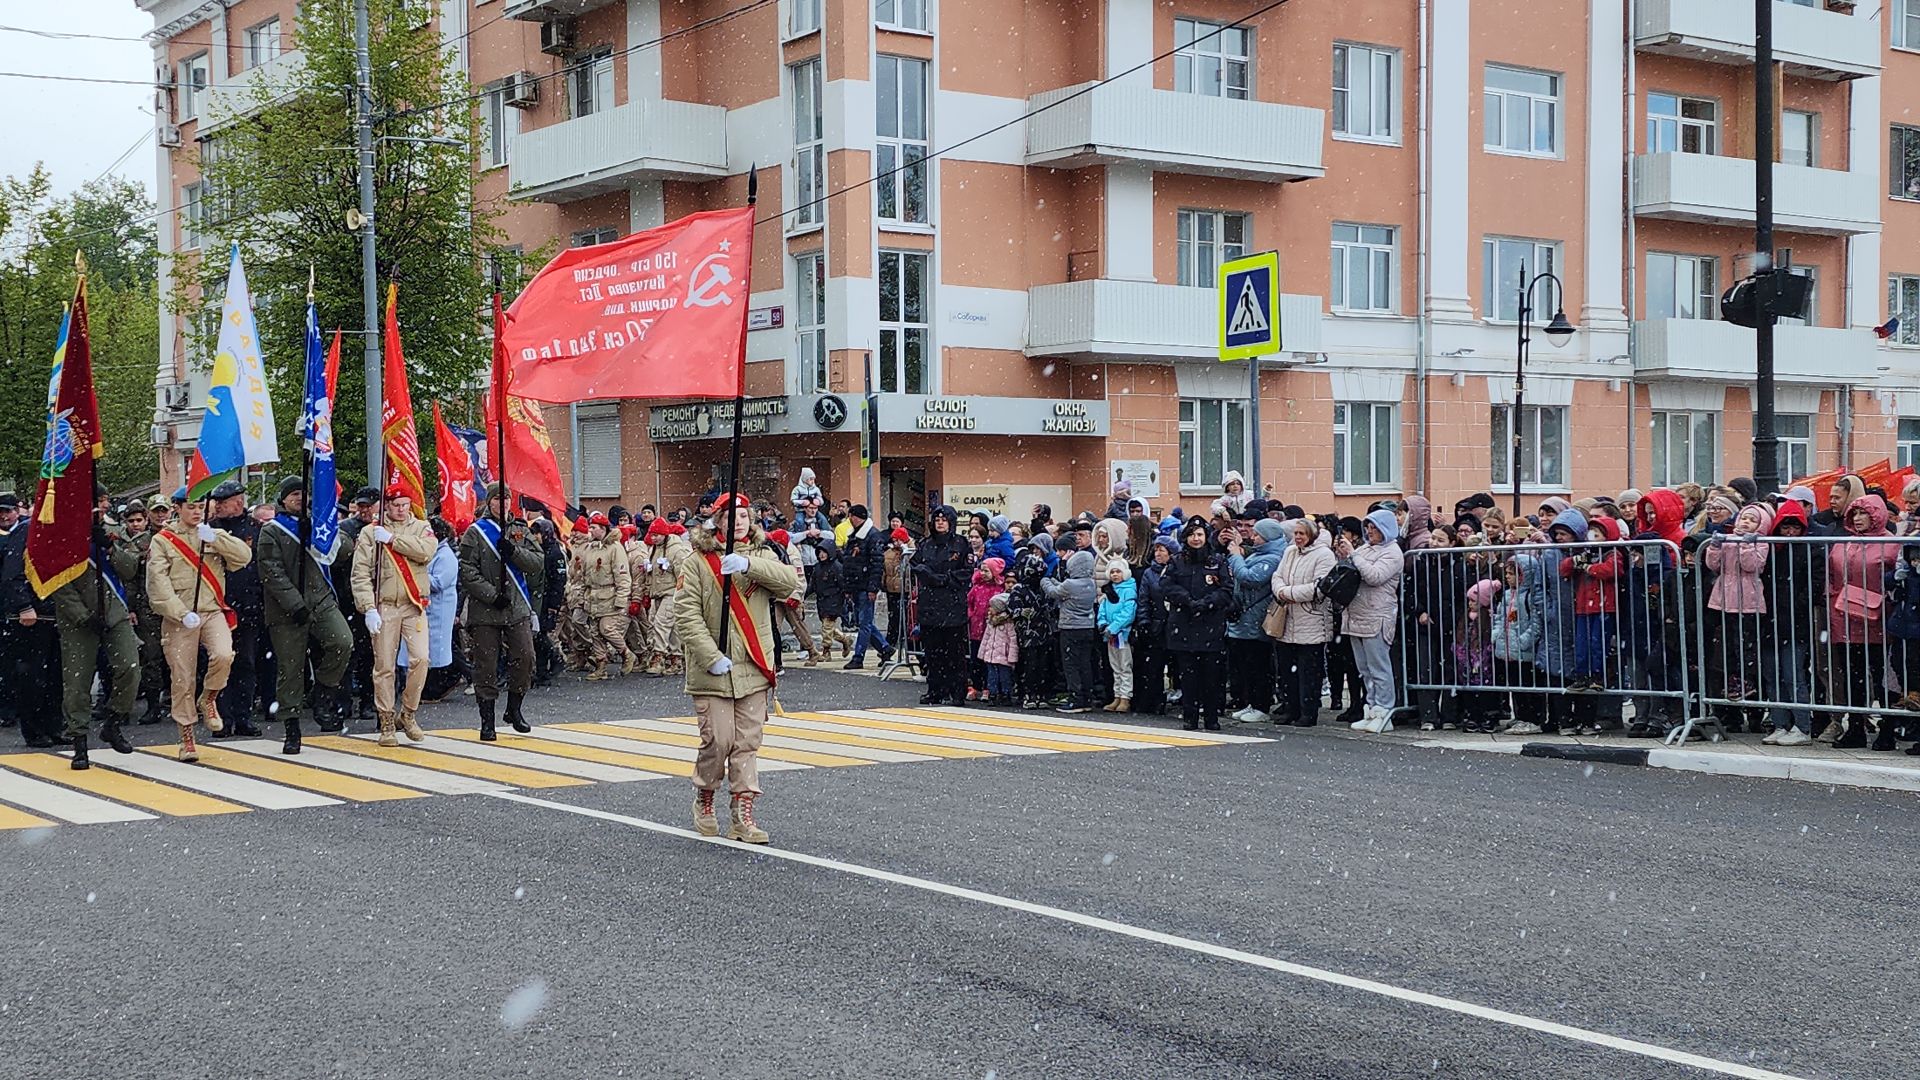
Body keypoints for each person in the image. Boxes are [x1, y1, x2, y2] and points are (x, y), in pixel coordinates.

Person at [675, 493, 800, 844]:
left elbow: (790, 583)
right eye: (731, 515)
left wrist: (748, 567)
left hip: (754, 663)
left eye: (744, 515)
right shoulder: (697, 562)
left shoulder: (762, 553)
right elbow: (687, 616)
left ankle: (743, 814)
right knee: (718, 740)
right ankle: (705, 795)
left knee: (747, 743)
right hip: (713, 668)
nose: (740, 521)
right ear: (718, 522)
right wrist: (709, 655)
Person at [147, 488, 253, 761]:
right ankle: (187, 736)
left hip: (212, 610)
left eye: (200, 507)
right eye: (191, 507)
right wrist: (179, 612)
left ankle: (208, 698)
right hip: (180, 617)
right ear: (178, 508)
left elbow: (243, 557)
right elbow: (157, 585)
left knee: (224, 655)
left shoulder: (213, 533)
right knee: (182, 677)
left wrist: (217, 539)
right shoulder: (163, 541)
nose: (196, 512)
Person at [256, 476, 353, 754]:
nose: (299, 498)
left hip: (321, 599)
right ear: (283, 499)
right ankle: (291, 726)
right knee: (291, 668)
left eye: (303, 493)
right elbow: (271, 572)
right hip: (287, 609)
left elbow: (343, 551)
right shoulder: (272, 531)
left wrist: (323, 529)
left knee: (342, 642)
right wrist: (294, 603)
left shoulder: (316, 522)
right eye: (293, 494)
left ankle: (323, 688)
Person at [50, 512, 142, 768]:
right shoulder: (62, 538)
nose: (100, 509)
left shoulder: (110, 532)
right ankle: (79, 741)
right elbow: (59, 583)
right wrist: (82, 616)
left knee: (130, 668)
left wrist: (110, 547)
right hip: (79, 619)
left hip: (115, 613)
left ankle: (113, 723)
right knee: (78, 681)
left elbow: (130, 569)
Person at [351, 487, 436, 746]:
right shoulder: (369, 533)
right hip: (385, 605)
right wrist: (368, 608)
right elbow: (361, 574)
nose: (400, 509)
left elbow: (426, 551)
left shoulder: (421, 527)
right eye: (395, 504)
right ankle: (386, 719)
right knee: (385, 666)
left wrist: (392, 540)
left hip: (413, 603)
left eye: (404, 504)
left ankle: (408, 712)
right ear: (386, 505)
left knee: (421, 659)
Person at [460, 485, 544, 741]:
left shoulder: (519, 529)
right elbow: (467, 570)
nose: (504, 503)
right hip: (486, 611)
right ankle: (488, 720)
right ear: (490, 502)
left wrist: (514, 552)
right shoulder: (475, 533)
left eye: (507, 498)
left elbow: (537, 562)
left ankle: (514, 709)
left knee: (525, 658)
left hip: (516, 607)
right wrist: (491, 595)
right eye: (499, 499)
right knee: (486, 665)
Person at [208, 479, 267, 737]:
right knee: (219, 663)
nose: (218, 506)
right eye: (217, 502)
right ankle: (222, 717)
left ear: (238, 502)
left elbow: (260, 567)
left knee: (246, 663)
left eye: (224, 502)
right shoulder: (209, 529)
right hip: (218, 606)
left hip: (249, 605)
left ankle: (243, 717)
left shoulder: (256, 529)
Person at [1161, 517, 1231, 731]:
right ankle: (1190, 717)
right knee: (1188, 676)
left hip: (1210, 626)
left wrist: (1207, 603)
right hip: (1184, 625)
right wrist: (1187, 600)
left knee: (1211, 676)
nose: (1196, 538)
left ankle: (1211, 717)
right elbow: (1166, 585)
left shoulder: (1217, 561)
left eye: (1200, 534)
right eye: (1192, 534)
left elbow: (1226, 591)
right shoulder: (1176, 561)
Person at [1340, 509, 1405, 734]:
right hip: (1356, 614)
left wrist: (1354, 555)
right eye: (1368, 527)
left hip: (1377, 615)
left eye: (1375, 527)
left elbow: (1375, 576)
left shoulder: (1393, 552)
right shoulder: (1365, 549)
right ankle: (1371, 708)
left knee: (1379, 667)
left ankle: (1384, 710)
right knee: (1364, 668)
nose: (1370, 531)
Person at [1269, 517, 1336, 727]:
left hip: (1311, 619)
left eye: (1302, 534)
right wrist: (1280, 590)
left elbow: (1318, 588)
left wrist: (1288, 593)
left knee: (1309, 671)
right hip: (1288, 619)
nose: (1298, 537)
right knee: (1288, 670)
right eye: (1296, 533)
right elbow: (1277, 576)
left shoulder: (1324, 555)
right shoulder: (1289, 552)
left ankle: (1308, 712)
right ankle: (1291, 708)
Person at [1225, 519, 1286, 724]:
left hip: (1257, 619)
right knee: (1246, 665)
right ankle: (1250, 702)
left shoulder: (1273, 558)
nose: (1254, 537)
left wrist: (1235, 557)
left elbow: (1250, 578)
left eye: (1258, 535)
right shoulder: (1259, 554)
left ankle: (1261, 705)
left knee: (1259, 665)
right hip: (1244, 619)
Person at [913, 505, 973, 705]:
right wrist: (929, 576)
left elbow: (966, 572)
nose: (940, 523)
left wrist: (943, 579)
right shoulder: (926, 544)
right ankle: (936, 690)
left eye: (944, 520)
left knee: (955, 653)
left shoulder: (961, 544)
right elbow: (917, 565)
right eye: (937, 519)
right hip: (930, 604)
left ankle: (957, 692)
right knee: (933, 652)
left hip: (952, 603)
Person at [334, 487, 381, 722]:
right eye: (361, 506)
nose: (364, 510)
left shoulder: (383, 529)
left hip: (377, 600)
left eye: (368, 505)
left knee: (371, 657)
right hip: (349, 599)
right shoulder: (346, 528)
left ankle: (368, 702)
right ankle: (343, 704)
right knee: (348, 655)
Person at [575, 512, 633, 680]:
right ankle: (601, 666)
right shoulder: (590, 548)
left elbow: (623, 576)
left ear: (603, 529)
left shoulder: (615, 548)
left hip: (609, 596)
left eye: (593, 528)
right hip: (592, 596)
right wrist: (581, 597)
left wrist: (621, 599)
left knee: (606, 629)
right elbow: (583, 577)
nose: (590, 530)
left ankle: (626, 654)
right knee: (595, 633)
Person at [1043, 549, 1101, 713]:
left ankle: (1076, 698)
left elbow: (1054, 592)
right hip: (1087, 626)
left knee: (1071, 665)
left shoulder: (1070, 585)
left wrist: (1046, 580)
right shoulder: (1091, 583)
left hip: (1070, 628)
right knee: (1085, 664)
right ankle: (1086, 697)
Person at [840, 505, 894, 669]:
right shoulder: (855, 536)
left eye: (851, 516)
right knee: (864, 622)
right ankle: (885, 648)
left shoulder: (872, 536)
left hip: (865, 585)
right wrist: (848, 588)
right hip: (857, 584)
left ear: (855, 517)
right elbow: (849, 564)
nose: (849, 520)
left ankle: (858, 657)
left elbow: (877, 565)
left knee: (864, 623)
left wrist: (873, 588)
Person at [417, 517, 464, 703]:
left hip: (440, 609)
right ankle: (433, 686)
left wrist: (418, 576)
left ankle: (445, 682)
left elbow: (438, 583)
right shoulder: (434, 553)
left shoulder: (446, 556)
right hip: (429, 609)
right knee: (434, 650)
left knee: (440, 650)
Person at [1097, 561, 1137, 712]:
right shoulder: (1109, 591)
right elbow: (1102, 609)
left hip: (1122, 634)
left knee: (1125, 666)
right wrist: (1102, 623)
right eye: (1112, 572)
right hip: (1110, 635)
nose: (1115, 575)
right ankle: (1117, 695)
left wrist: (1114, 627)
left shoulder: (1128, 591)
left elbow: (1128, 613)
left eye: (1118, 572)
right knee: (1115, 666)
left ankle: (1126, 697)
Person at [965, 557, 1006, 701]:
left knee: (989, 661)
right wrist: (971, 615)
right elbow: (969, 603)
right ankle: (975, 686)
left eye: (986, 570)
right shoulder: (977, 588)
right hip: (976, 629)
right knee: (976, 660)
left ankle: (988, 687)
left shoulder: (999, 589)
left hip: (992, 631)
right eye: (981, 570)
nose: (983, 573)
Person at [980, 593, 1019, 706]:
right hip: (991, 655)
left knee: (1004, 677)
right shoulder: (991, 622)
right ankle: (993, 694)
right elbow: (986, 637)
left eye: (992, 607)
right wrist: (982, 653)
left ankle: (1006, 694)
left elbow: (1013, 641)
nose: (989, 609)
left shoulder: (1008, 623)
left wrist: (1012, 657)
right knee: (992, 677)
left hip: (1003, 656)